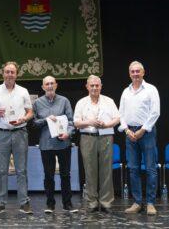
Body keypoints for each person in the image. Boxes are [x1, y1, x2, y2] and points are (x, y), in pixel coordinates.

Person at [0, 61, 33, 215]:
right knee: (1, 170)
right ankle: (0, 203)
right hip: (1, 133)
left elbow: (30, 112)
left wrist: (24, 119)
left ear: (16, 74)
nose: (10, 74)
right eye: (7, 72)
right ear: (3, 73)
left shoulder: (23, 91)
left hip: (20, 132)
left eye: (12, 72)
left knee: (22, 170)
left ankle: (24, 202)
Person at [74, 75, 120, 213]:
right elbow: (76, 122)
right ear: (87, 87)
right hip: (87, 137)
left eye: (97, 85)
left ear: (101, 86)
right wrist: (90, 122)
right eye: (92, 85)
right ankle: (92, 202)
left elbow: (117, 118)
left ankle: (106, 202)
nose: (94, 88)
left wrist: (106, 125)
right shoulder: (81, 102)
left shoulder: (109, 101)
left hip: (106, 136)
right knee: (90, 170)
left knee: (106, 170)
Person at [119, 61, 160, 215]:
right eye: (132, 71)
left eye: (138, 71)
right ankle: (137, 202)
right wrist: (126, 130)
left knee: (150, 168)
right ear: (129, 73)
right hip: (130, 134)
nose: (135, 74)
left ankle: (150, 203)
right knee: (133, 169)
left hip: (147, 132)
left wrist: (143, 129)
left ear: (143, 72)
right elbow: (120, 113)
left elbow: (155, 112)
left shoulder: (151, 89)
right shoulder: (125, 91)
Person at [33, 76, 78, 213]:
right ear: (43, 87)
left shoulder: (64, 101)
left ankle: (67, 204)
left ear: (56, 85)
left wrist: (68, 134)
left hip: (63, 143)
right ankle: (50, 204)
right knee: (48, 175)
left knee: (65, 175)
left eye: (52, 83)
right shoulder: (37, 103)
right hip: (46, 145)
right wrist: (46, 120)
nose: (50, 86)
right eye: (47, 84)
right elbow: (34, 124)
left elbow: (71, 122)